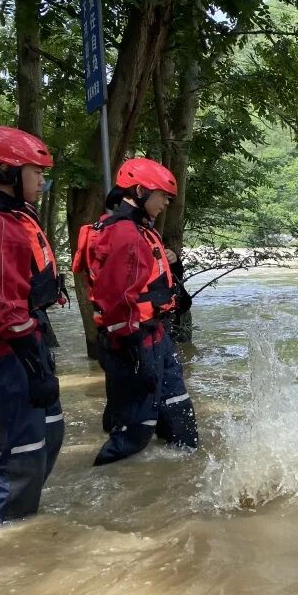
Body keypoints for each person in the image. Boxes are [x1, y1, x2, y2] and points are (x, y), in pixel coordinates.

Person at [81, 157, 198, 466]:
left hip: (155, 333)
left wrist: (173, 262)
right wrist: (131, 346)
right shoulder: (124, 233)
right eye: (163, 196)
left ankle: (180, 475)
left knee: (178, 413)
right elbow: (115, 297)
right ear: (140, 191)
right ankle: (111, 481)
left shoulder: (142, 230)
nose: (167, 203)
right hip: (135, 338)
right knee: (135, 426)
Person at [0, 126, 65, 522]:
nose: (41, 181)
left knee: (46, 436)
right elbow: (5, 309)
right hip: (10, 354)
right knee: (20, 456)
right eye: (35, 172)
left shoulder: (16, 217)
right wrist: (35, 369)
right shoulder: (2, 226)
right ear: (5, 172)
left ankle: (23, 523)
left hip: (25, 342)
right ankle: (11, 533)